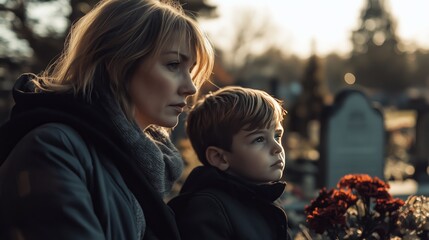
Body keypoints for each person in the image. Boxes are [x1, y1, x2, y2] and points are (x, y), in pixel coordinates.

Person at [0, 0, 214, 239]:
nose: (191, 87)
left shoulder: (142, 164)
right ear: (118, 63)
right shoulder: (53, 149)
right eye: (173, 64)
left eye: (191, 69)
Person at [168, 86, 292, 240]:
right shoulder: (208, 209)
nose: (277, 148)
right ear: (220, 158)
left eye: (277, 136)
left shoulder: (261, 199)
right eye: (259, 139)